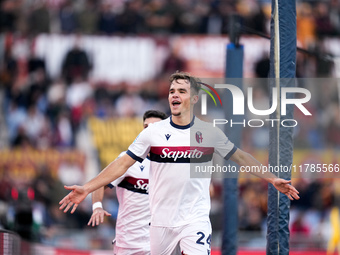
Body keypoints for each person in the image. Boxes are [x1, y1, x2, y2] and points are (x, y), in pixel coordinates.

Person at [59, 71, 300, 254]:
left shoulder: (209, 133)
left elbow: (240, 156)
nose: (174, 94)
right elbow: (121, 165)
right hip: (160, 223)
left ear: (194, 99)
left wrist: (271, 178)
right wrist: (87, 188)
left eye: (181, 91)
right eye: (172, 90)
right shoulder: (151, 134)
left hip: (194, 219)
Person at [88, 110, 167, 255]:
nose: (149, 130)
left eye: (154, 127)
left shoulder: (171, 164)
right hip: (128, 245)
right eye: (145, 127)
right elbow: (99, 183)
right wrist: (97, 207)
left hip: (159, 246)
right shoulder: (128, 160)